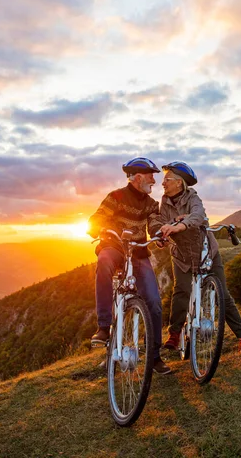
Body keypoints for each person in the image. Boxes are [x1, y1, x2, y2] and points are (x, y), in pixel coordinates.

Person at [148, 161, 241, 353]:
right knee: (181, 292)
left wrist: (178, 225)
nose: (162, 183)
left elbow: (198, 215)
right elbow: (159, 222)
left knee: (222, 294)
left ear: (179, 183)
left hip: (207, 253)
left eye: (167, 179)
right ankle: (175, 333)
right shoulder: (164, 202)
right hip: (181, 256)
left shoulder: (193, 197)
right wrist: (160, 235)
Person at [87, 157, 171, 375]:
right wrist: (97, 228)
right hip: (114, 247)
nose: (154, 180)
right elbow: (98, 217)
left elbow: (154, 223)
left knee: (153, 301)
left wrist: (158, 234)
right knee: (104, 262)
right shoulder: (115, 197)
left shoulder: (152, 203)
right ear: (139, 177)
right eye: (151, 176)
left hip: (138, 253)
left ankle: (154, 357)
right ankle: (104, 327)